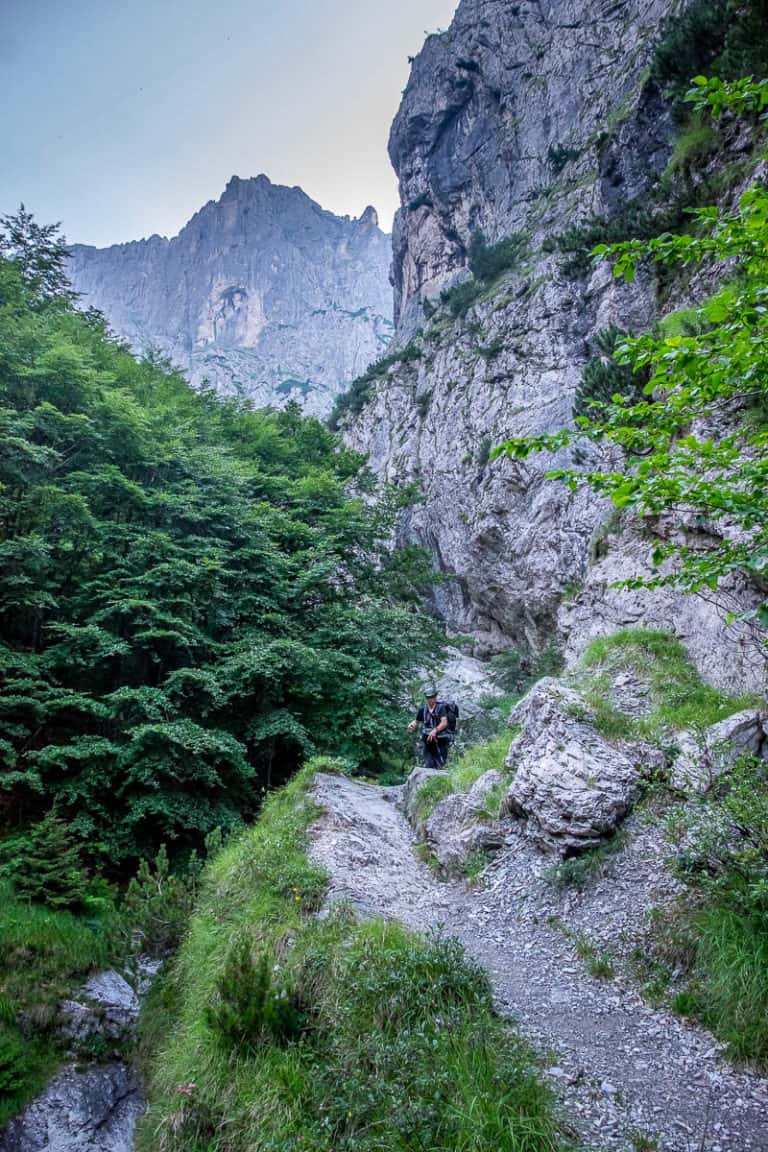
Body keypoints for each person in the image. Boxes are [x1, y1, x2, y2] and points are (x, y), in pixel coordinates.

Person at [408, 686, 450, 770]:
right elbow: (417, 721)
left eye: (432, 697)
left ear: (435, 697)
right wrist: (412, 724)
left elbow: (444, 722)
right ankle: (429, 778)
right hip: (428, 739)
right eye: (428, 697)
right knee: (429, 761)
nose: (430, 699)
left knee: (441, 761)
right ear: (426, 698)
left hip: (440, 739)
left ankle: (441, 776)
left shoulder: (441, 708)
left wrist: (435, 730)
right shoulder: (423, 710)